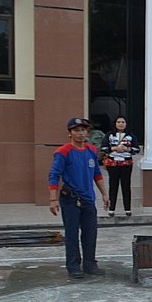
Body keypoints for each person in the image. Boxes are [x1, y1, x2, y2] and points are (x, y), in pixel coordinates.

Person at [48, 118, 109, 279]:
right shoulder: (63, 152)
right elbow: (54, 175)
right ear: (70, 134)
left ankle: (90, 264)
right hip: (70, 200)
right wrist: (53, 199)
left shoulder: (91, 151)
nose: (80, 133)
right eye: (76, 130)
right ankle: (73, 266)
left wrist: (104, 194)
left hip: (88, 199)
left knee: (90, 233)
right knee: (72, 234)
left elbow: (97, 174)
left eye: (83, 130)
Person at [101, 116, 140, 217]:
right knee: (113, 186)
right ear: (115, 123)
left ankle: (127, 209)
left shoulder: (130, 136)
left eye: (123, 122)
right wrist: (114, 148)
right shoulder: (109, 135)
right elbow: (103, 148)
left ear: (126, 124)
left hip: (126, 163)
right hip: (113, 163)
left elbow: (136, 149)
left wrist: (126, 149)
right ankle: (111, 209)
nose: (121, 124)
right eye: (118, 122)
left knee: (126, 186)